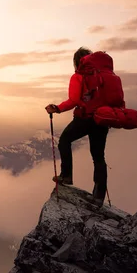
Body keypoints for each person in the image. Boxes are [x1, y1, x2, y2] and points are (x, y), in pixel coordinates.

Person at [45, 47, 109, 206]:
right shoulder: (103, 76)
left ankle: (66, 175)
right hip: (102, 119)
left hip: (85, 118)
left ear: (77, 62)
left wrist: (57, 108)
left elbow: (73, 100)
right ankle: (99, 195)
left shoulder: (78, 77)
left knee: (65, 140)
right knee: (98, 157)